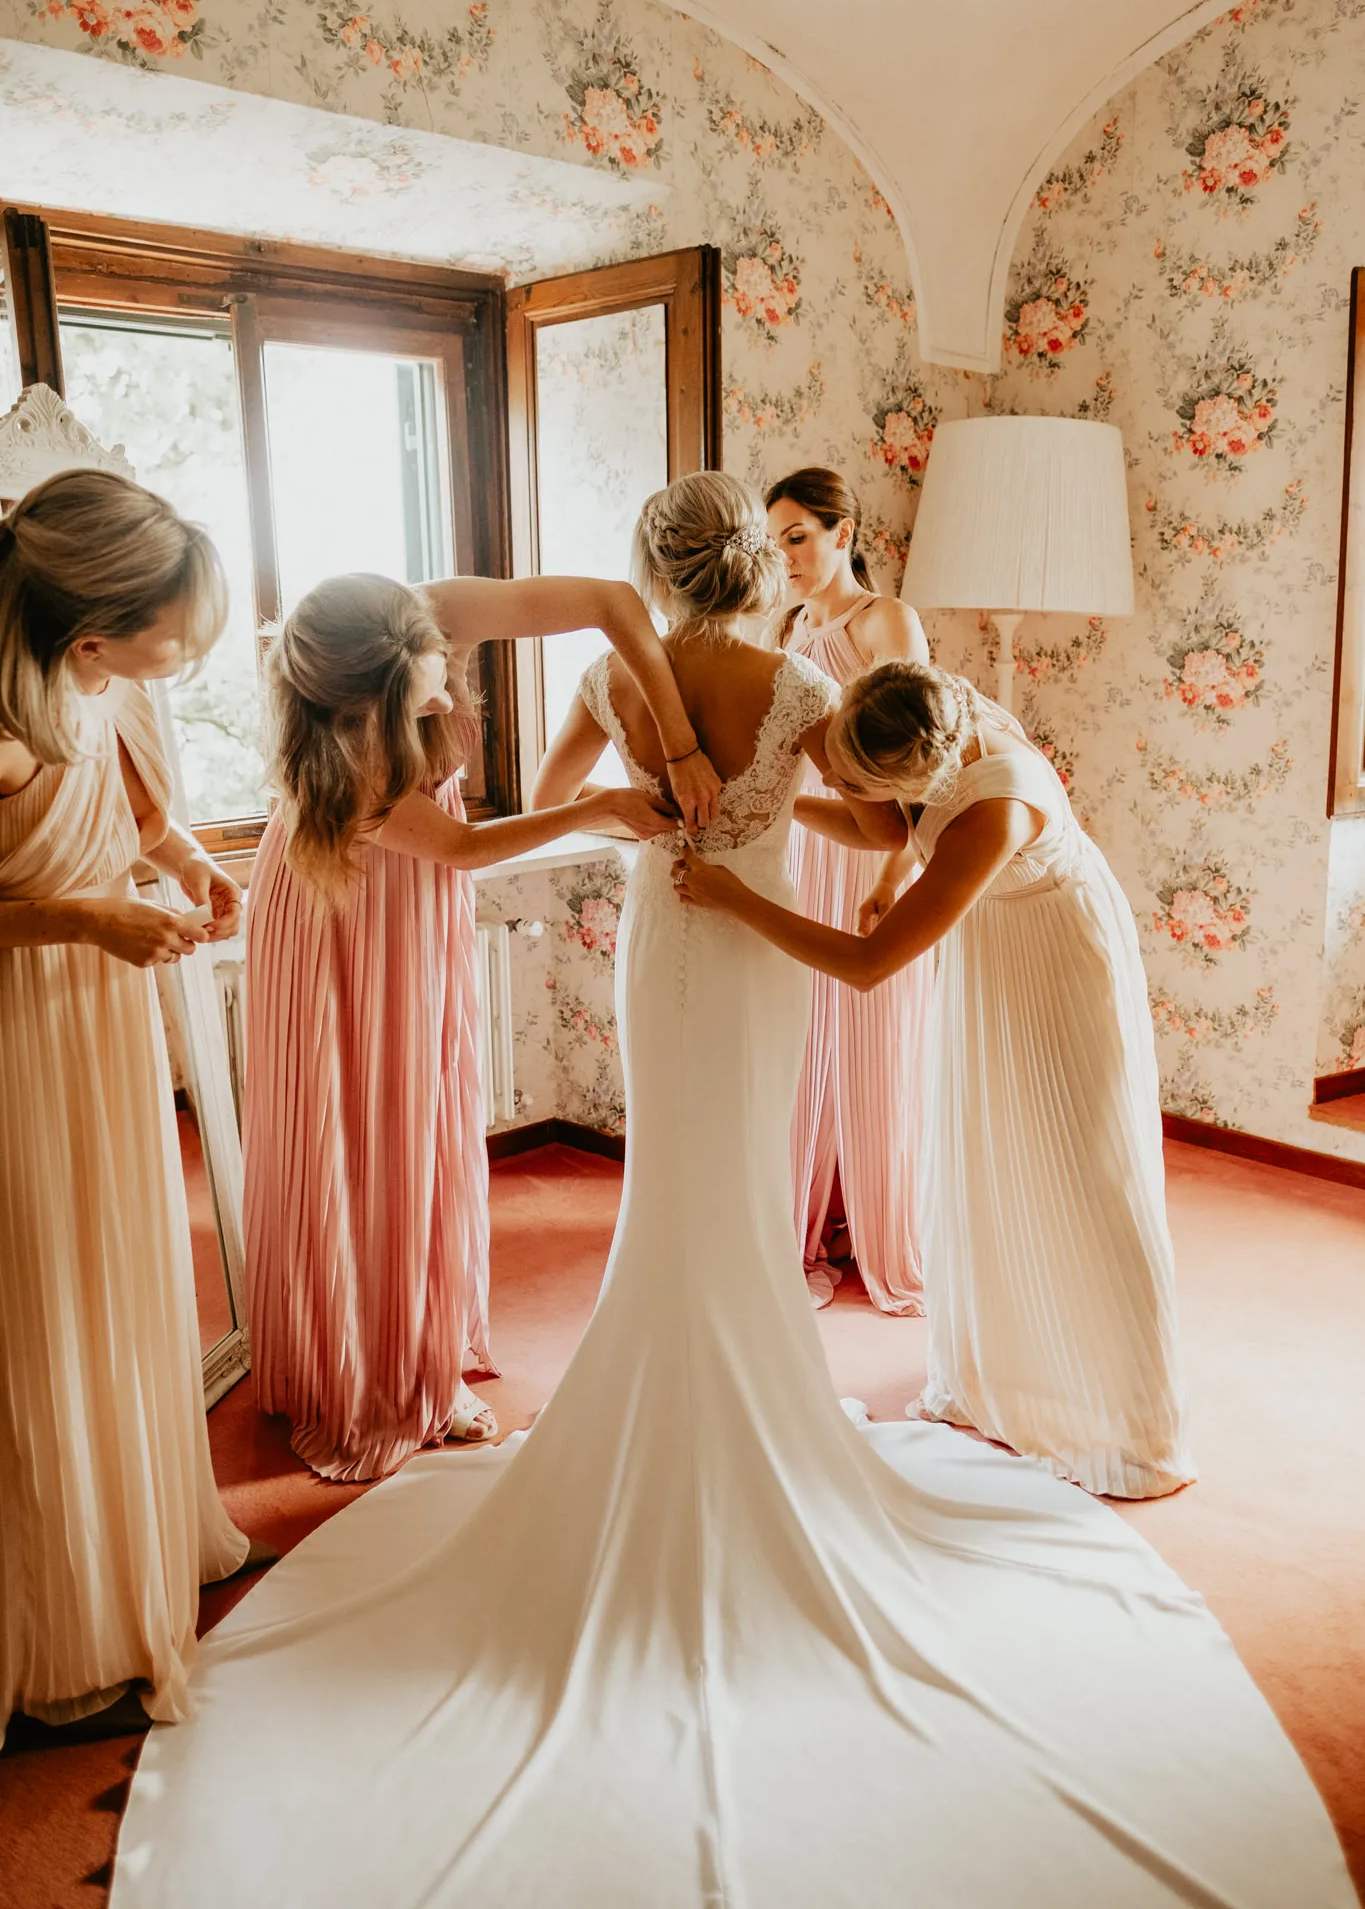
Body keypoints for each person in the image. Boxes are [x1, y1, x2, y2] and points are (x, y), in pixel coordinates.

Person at [111, 478, 1349, 1909]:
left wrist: (644, 804)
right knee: (739, 1185)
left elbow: (564, 799)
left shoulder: (605, 677)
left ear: (654, 569)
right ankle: (749, 1394)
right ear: (759, 565)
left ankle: (675, 1390)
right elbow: (881, 828)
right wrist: (866, 807)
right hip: (756, 961)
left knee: (672, 1191)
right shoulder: (793, 680)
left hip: (662, 943)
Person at [676, 657, 1197, 1500]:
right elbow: (882, 831)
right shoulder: (916, 708)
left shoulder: (991, 813)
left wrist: (733, 895)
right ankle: (1004, 1377)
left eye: (849, 778)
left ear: (909, 775)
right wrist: (765, 809)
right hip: (995, 950)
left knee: (1087, 1177)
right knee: (989, 1158)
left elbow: (869, 963)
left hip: (1061, 961)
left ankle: (1135, 1418)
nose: (838, 784)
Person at [243, 570, 694, 1483]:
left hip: (409, 901)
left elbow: (613, 600)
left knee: (424, 1102)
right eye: (426, 693)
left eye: (439, 668)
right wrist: (597, 807)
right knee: (370, 1121)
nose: (450, 691)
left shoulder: (432, 610)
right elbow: (460, 848)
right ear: (361, 710)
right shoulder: (349, 766)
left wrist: (678, 739)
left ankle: (422, 1333)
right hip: (346, 911)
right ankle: (370, 1365)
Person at [0, 468, 251, 1745]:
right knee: (43, 1301)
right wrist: (75, 914)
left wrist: (200, 867)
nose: (189, 652)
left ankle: (149, 1527)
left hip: (100, 1018)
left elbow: (149, 819)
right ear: (89, 633)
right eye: (175, 631)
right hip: (21, 1033)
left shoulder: (109, 690)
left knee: (123, 1275)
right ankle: (65, 1605)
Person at [769, 467, 933, 1312]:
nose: (787, 556)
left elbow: (914, 761)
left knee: (871, 1034)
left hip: (873, 849)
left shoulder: (886, 621)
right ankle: (810, 1214)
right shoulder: (787, 625)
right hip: (806, 846)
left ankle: (880, 1223)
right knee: (803, 1034)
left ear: (844, 532)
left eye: (799, 536)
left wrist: (891, 873)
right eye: (776, 542)